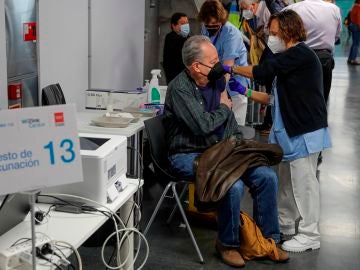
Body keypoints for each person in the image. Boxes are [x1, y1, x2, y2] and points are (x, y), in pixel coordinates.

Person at [163, 35, 288, 267]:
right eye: (214, 60)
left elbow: (228, 122)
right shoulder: (179, 89)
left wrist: (238, 146)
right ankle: (227, 244)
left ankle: (268, 240)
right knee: (232, 184)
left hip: (221, 151)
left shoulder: (216, 81)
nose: (219, 64)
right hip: (187, 154)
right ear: (196, 66)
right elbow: (202, 126)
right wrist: (223, 106)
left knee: (267, 177)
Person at [227, 10, 332, 253]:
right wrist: (244, 91)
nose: (271, 38)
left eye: (274, 33)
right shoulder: (289, 58)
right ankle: (285, 225)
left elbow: (262, 71)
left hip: (304, 131)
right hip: (288, 133)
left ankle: (309, 234)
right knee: (287, 183)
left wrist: (230, 69)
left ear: (288, 30)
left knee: (304, 185)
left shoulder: (299, 54)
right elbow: (273, 98)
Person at [265, 0, 341, 105]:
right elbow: (337, 37)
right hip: (325, 60)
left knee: (297, 100)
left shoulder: (290, 10)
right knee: (321, 100)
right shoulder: (334, 9)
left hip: (298, 59)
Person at [198, 0, 249, 126]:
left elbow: (228, 67)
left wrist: (222, 93)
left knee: (235, 126)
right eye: (207, 24)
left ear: (221, 20)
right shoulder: (205, 28)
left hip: (235, 83)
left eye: (214, 24)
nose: (210, 27)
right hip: (216, 81)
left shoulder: (231, 34)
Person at [163, 12, 190, 84]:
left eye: (187, 23)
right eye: (182, 23)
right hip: (175, 78)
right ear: (174, 26)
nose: (186, 26)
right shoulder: (171, 37)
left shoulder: (187, 38)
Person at [347, 0, 360, 65]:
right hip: (356, 27)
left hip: (352, 25)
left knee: (354, 43)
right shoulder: (358, 8)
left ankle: (350, 58)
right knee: (356, 44)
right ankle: (353, 59)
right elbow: (358, 19)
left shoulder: (353, 7)